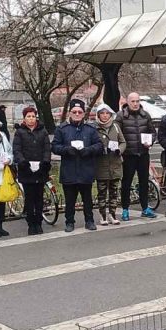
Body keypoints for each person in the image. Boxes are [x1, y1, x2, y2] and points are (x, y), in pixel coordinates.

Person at [51, 98, 103, 232]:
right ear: (69, 113)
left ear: (84, 113)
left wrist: (89, 150)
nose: (77, 114)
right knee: (70, 200)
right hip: (69, 170)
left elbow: (99, 145)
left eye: (80, 112)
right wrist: (66, 150)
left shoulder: (90, 129)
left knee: (87, 199)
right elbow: (55, 146)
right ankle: (69, 222)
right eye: (74, 112)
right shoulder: (62, 129)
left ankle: (89, 220)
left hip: (86, 169)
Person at [116, 92, 158, 221]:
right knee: (126, 183)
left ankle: (145, 208)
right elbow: (116, 134)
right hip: (128, 155)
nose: (135, 104)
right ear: (127, 102)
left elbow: (152, 132)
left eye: (137, 101)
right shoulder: (121, 116)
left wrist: (150, 141)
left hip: (143, 154)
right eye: (133, 101)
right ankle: (125, 209)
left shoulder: (145, 115)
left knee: (144, 182)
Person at [12, 105, 52, 235]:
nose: (31, 119)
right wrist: (22, 162)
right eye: (28, 116)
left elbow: (47, 148)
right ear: (24, 118)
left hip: (40, 169)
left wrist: (45, 162)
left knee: (39, 198)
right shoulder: (20, 132)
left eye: (33, 116)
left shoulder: (43, 131)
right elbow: (17, 150)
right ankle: (31, 223)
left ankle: (39, 222)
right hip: (26, 170)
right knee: (29, 198)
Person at [93, 104, 126, 225]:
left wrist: (119, 150)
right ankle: (103, 216)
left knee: (114, 191)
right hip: (101, 164)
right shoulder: (94, 128)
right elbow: (92, 144)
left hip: (115, 163)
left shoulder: (115, 126)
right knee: (102, 192)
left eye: (107, 113)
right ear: (98, 115)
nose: (105, 115)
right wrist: (99, 149)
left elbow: (123, 142)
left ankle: (112, 214)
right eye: (102, 113)